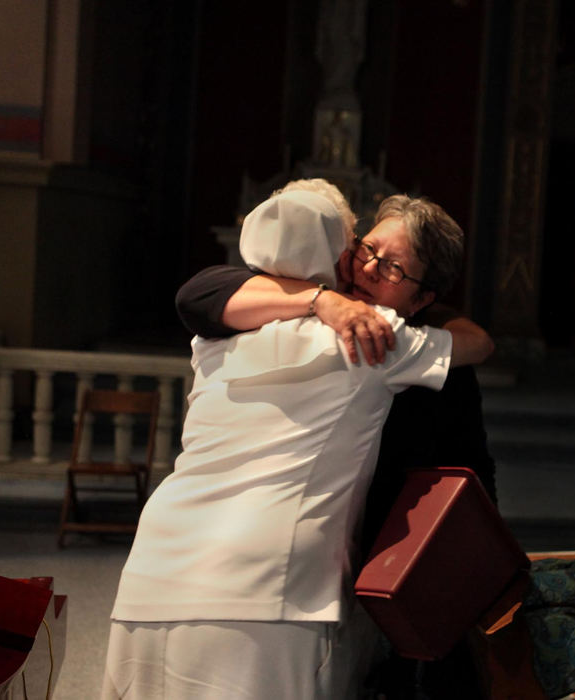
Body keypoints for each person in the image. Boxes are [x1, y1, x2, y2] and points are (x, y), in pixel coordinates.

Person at [104, 179, 493, 699]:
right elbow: (479, 345)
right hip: (269, 584)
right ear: (338, 254)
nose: (368, 268)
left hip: (155, 566)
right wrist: (326, 302)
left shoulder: (215, 335)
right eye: (364, 249)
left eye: (393, 267)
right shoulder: (379, 339)